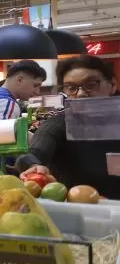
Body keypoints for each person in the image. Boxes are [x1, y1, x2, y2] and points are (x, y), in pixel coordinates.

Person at [16, 56, 120, 198]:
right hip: (79, 212)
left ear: (113, 84)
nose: (81, 94)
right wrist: (33, 166)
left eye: (91, 84)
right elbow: (32, 154)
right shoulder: (59, 123)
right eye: (71, 88)